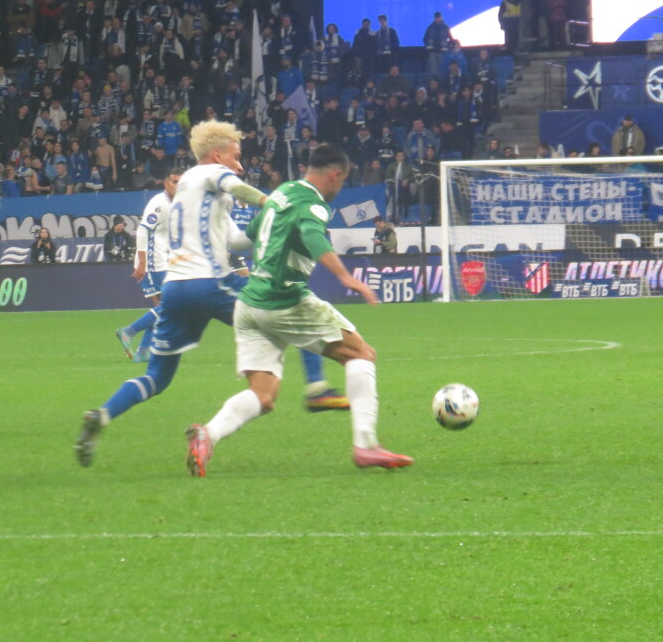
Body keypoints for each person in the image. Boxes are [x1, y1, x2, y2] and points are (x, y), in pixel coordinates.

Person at [185, 144, 412, 477]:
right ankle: (366, 444)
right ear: (335, 175)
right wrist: (347, 277)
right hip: (284, 299)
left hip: (249, 304)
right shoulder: (313, 204)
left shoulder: (282, 193)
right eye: (342, 181)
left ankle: (208, 434)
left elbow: (243, 239)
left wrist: (213, 219)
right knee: (361, 354)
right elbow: (313, 237)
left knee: (263, 396)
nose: (340, 187)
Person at [75, 120, 275, 467]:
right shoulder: (211, 173)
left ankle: (102, 415)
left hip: (177, 289)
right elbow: (238, 186)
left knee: (157, 377)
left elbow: (238, 240)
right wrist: (274, 204)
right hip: (210, 282)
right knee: (285, 312)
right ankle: (317, 387)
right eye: (236, 157)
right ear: (217, 155)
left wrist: (261, 224)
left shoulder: (190, 191)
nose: (241, 166)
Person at [116, 170, 180, 364]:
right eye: (175, 181)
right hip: (152, 262)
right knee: (171, 305)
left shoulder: (177, 203)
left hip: (162, 260)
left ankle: (143, 351)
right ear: (166, 184)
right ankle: (129, 331)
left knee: (163, 308)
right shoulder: (159, 203)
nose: (178, 185)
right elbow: (143, 231)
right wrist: (143, 262)